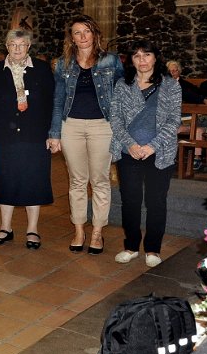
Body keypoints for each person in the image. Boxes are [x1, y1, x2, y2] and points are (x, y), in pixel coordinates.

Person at [47, 14, 124, 254]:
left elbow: (122, 97)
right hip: (71, 126)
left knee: (100, 180)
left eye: (87, 31)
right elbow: (58, 100)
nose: (82, 36)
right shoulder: (63, 64)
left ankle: (98, 232)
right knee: (77, 181)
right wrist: (54, 133)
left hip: (102, 126)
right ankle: (79, 230)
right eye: (77, 32)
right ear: (71, 37)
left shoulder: (111, 61)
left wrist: (121, 130)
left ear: (95, 34)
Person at [0, 29, 55, 250]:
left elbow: (53, 104)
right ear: (7, 47)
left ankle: (32, 230)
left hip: (35, 136)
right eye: (13, 44)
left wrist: (53, 134)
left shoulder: (42, 69)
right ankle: (5, 228)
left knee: (34, 181)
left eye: (22, 45)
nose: (17, 49)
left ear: (28, 47)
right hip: (4, 137)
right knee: (5, 180)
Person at [110, 40, 182, 267]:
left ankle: (153, 249)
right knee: (130, 201)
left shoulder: (170, 85)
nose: (142, 60)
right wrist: (131, 144)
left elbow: (174, 120)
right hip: (128, 151)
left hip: (159, 152)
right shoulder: (123, 84)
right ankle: (131, 246)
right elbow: (115, 119)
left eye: (147, 55)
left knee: (156, 201)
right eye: (137, 56)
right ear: (131, 60)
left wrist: (152, 146)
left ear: (155, 57)